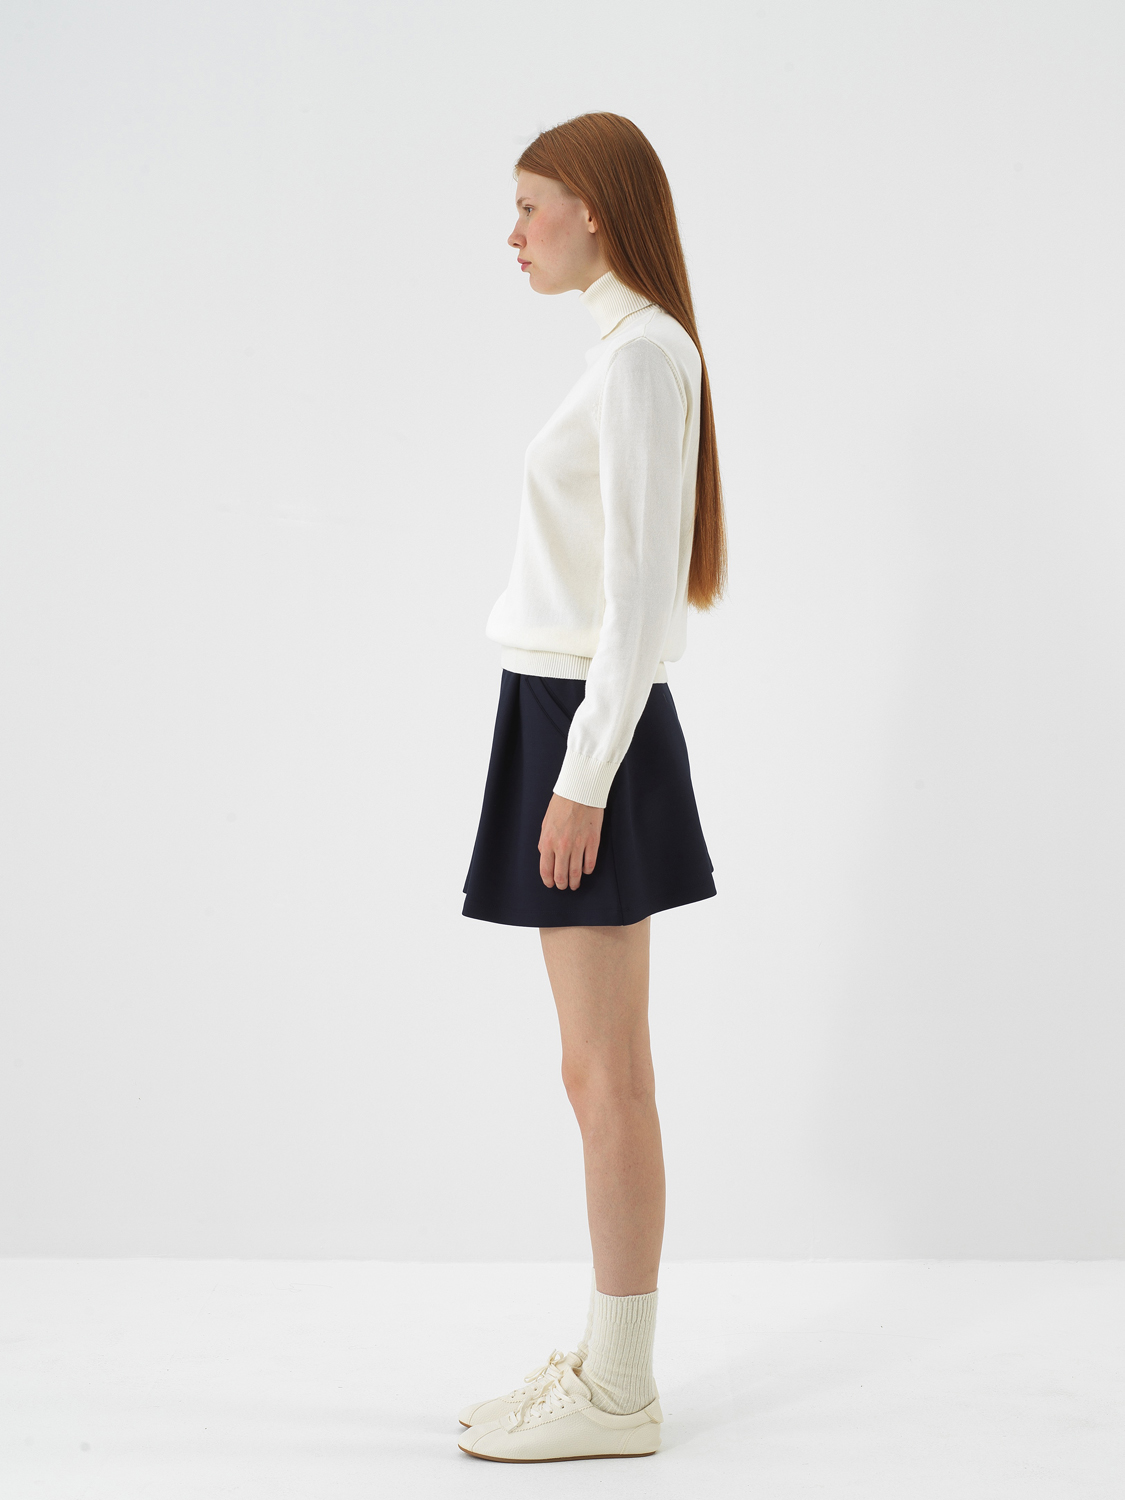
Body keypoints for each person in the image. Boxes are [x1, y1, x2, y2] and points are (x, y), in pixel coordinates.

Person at [457, 111, 727, 1463]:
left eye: (530, 206)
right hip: (560, 714)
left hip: (585, 725)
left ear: (595, 213)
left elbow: (635, 602)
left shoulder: (640, 359)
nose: (512, 234)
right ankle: (609, 1367)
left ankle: (620, 1390)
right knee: (590, 1066)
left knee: (608, 1073)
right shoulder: (626, 352)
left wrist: (582, 781)